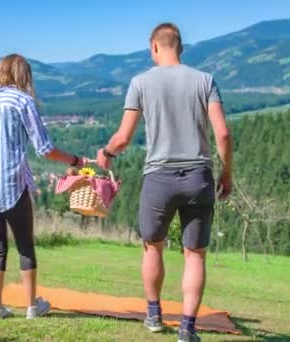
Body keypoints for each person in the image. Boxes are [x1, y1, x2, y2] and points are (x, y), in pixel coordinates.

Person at [96, 23, 233, 342]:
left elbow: (123, 138)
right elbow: (223, 133)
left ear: (154, 46)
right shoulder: (205, 80)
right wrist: (227, 174)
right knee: (195, 255)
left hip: (159, 178)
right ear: (180, 48)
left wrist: (106, 152)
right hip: (199, 176)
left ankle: (154, 315)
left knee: (152, 248)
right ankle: (187, 329)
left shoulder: (140, 82)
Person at [0, 54, 87, 321]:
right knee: (25, 246)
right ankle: (32, 306)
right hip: (11, 184)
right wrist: (75, 160)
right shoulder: (21, 101)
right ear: (23, 75)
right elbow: (46, 149)